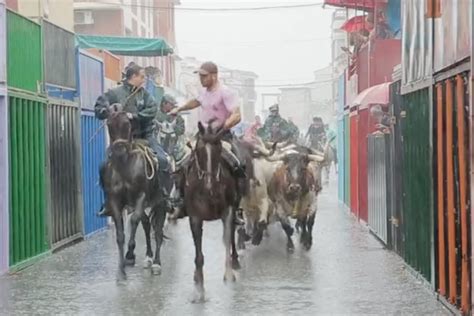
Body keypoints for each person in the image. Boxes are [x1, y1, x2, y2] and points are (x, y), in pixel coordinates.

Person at [170, 61, 245, 223]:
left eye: (204, 76)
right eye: (200, 76)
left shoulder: (226, 93)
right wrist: (179, 109)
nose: (201, 79)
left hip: (221, 137)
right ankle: (180, 202)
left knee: (238, 165)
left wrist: (224, 126)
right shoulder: (204, 93)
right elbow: (195, 102)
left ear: (214, 76)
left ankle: (237, 208)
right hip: (203, 137)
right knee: (182, 165)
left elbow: (237, 115)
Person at [95, 64, 172, 203]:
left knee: (163, 160)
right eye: (142, 77)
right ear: (133, 76)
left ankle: (163, 194)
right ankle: (108, 201)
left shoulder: (145, 95)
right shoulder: (114, 93)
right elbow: (99, 107)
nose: (144, 80)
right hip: (121, 140)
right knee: (103, 166)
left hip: (144, 136)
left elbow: (152, 110)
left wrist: (134, 116)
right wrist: (108, 111)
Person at [155, 94, 186, 160]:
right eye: (171, 104)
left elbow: (181, 130)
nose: (173, 106)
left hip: (172, 148)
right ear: (164, 104)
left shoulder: (177, 117)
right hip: (157, 147)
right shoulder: (155, 114)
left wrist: (173, 127)